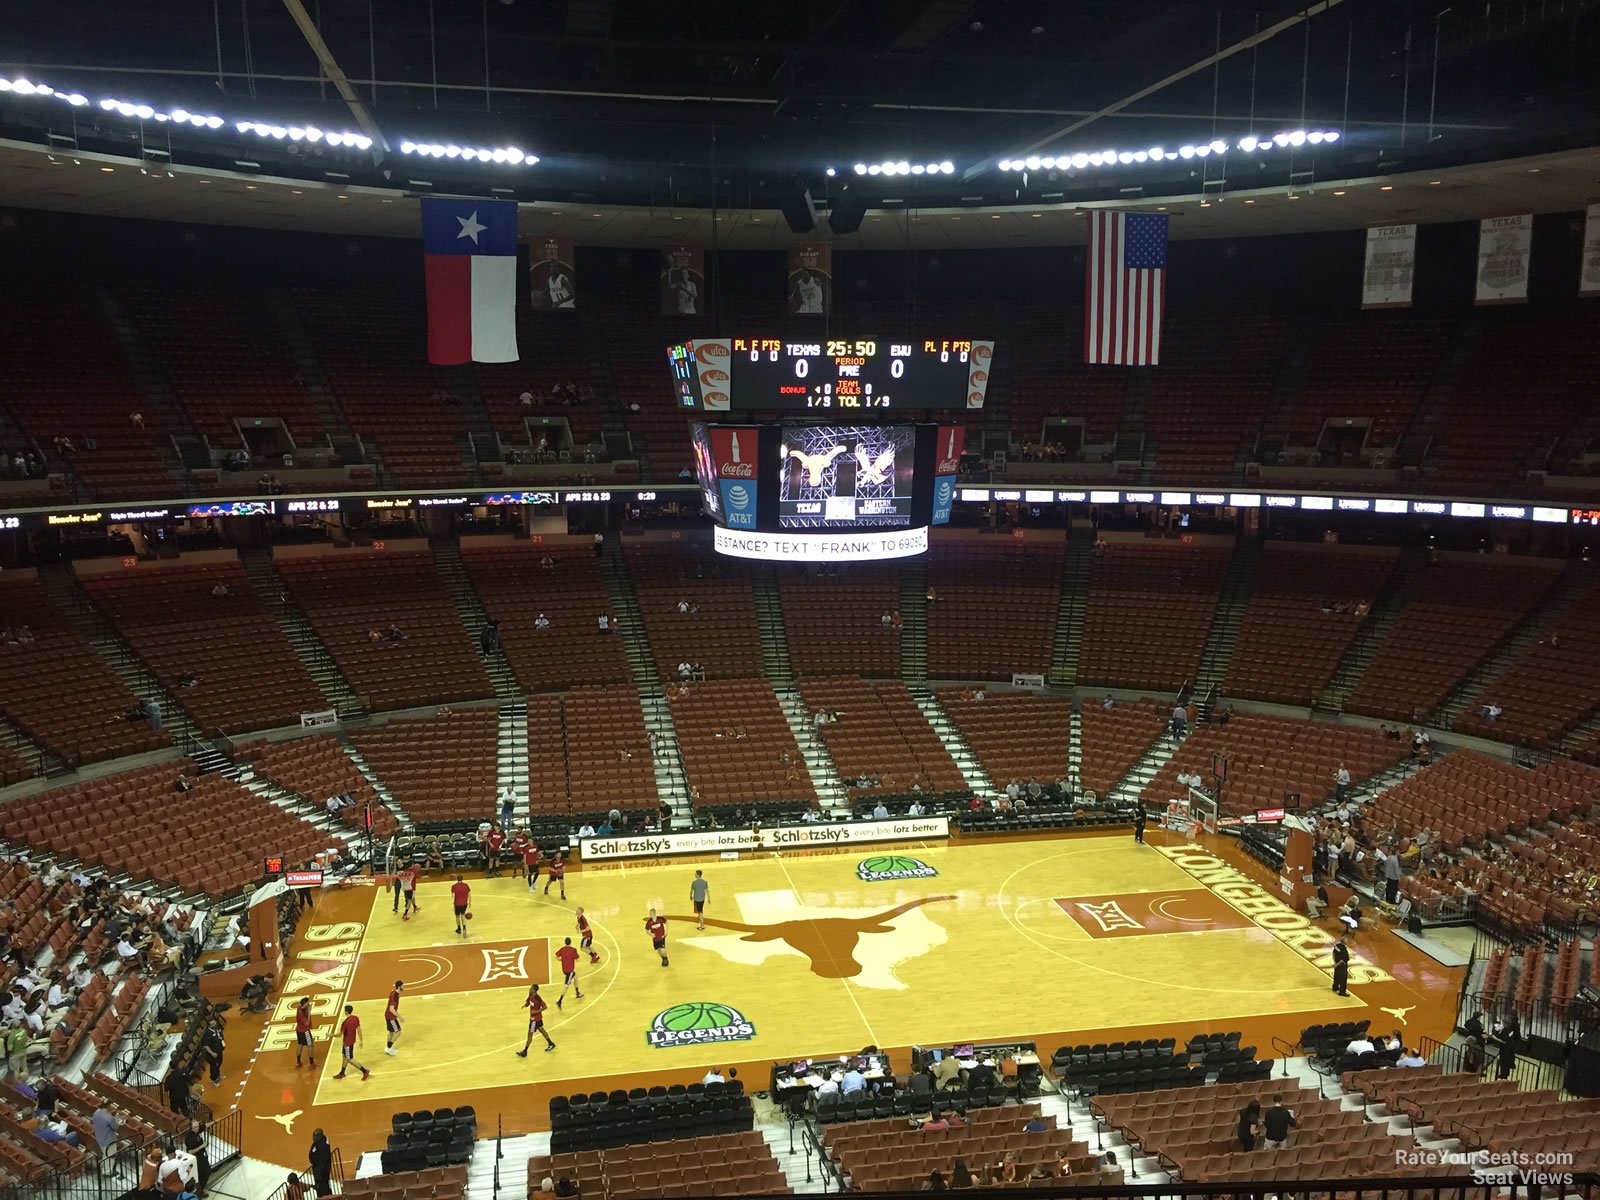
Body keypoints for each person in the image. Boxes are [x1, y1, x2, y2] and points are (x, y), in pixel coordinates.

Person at [517, 983, 556, 1055]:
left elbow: (545, 1007)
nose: (530, 989)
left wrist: (536, 1012)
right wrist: (525, 1005)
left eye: (531, 988)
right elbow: (529, 1001)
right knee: (541, 1030)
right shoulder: (530, 995)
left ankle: (525, 1051)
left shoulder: (538, 998)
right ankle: (551, 1043)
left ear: (534, 990)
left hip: (535, 1020)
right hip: (535, 1019)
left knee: (530, 1034)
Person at [334, 1005, 371, 1080]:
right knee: (344, 1056)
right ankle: (342, 1073)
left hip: (347, 1043)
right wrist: (361, 1040)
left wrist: (330, 1035)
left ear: (346, 1012)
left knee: (350, 1059)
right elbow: (359, 1029)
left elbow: (339, 1034)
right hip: (351, 1042)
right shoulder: (355, 1018)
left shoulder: (345, 1023)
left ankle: (365, 1071)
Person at [183, 1116, 211, 1194]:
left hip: (202, 1156)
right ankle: (200, 1191)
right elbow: (190, 1152)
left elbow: (205, 1126)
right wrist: (202, 1146)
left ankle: (201, 1188)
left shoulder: (197, 1131)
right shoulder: (189, 1138)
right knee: (204, 1173)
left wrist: (214, 1121)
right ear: (191, 1128)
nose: (197, 1128)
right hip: (197, 1158)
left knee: (207, 1171)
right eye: (195, 1127)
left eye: (198, 1126)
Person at [554, 937, 584, 1008]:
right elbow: (577, 958)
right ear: (570, 942)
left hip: (564, 970)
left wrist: (560, 960)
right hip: (569, 971)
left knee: (576, 977)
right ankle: (560, 1001)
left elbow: (556, 956)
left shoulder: (562, 949)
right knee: (566, 986)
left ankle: (577, 992)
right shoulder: (573, 950)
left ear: (565, 942)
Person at [308, 1129, 333, 1198]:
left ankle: (324, 1197)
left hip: (320, 1169)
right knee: (326, 1183)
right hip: (325, 1167)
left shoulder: (317, 1145)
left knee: (322, 1186)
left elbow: (312, 1155)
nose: (313, 1138)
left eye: (315, 1136)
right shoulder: (325, 1139)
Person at [294, 996, 317, 1070]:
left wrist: (307, 1008)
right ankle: (311, 1063)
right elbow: (306, 1023)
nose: (309, 1003)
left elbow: (304, 1009)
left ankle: (298, 1062)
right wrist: (309, 1012)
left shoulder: (299, 1008)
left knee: (300, 1045)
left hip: (299, 1030)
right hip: (305, 1031)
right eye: (308, 1002)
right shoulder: (302, 1014)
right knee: (310, 1045)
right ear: (305, 1003)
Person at [384, 980, 403, 1056]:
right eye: (402, 986)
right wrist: (400, 1017)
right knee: (398, 1031)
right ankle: (389, 1047)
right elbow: (392, 1009)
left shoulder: (393, 992)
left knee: (391, 1032)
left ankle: (388, 1048)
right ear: (399, 986)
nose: (404, 987)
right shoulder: (395, 995)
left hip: (387, 1015)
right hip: (391, 1017)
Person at [1331, 930, 1350, 996]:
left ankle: (1335, 987)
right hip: (1341, 966)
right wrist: (1337, 964)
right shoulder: (1344, 949)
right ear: (1344, 941)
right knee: (1343, 979)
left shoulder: (1337, 945)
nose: (1348, 941)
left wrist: (1335, 962)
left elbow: (1333, 953)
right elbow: (1343, 959)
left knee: (1336, 976)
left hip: (1336, 963)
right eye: (1347, 940)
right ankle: (1342, 992)